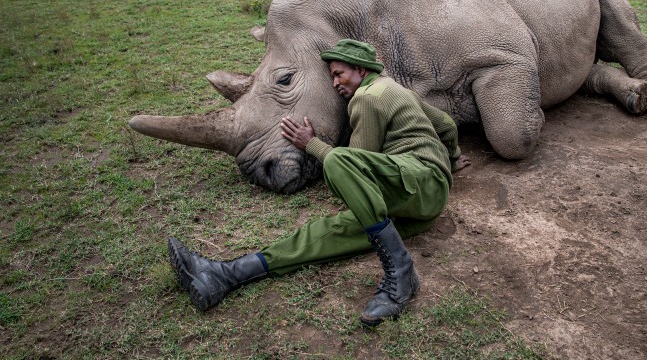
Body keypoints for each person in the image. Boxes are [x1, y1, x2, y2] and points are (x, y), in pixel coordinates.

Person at [168, 39, 470, 325]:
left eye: (339, 75)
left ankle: (402, 272)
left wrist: (310, 143)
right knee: (322, 235)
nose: (336, 84)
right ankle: (222, 275)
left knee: (338, 160)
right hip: (419, 199)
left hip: (418, 181)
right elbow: (444, 123)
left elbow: (356, 162)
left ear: (361, 70)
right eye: (332, 78)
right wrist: (452, 161)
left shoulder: (367, 98)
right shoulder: (395, 89)